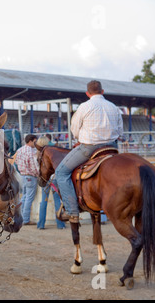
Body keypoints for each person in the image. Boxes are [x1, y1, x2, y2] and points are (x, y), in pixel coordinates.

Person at [55, 80, 123, 223]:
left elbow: (74, 128)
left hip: (90, 147)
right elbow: (120, 131)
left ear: (87, 93)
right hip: (112, 147)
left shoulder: (84, 107)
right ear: (102, 91)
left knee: (61, 172)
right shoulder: (113, 107)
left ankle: (72, 211)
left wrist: (79, 138)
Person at [35, 136, 65, 230]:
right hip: (54, 179)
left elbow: (37, 169)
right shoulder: (52, 153)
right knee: (57, 201)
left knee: (43, 202)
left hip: (44, 179)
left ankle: (41, 224)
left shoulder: (37, 154)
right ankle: (60, 224)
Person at [14, 134, 38, 225]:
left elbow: (15, 161)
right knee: (29, 198)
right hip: (30, 176)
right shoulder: (32, 151)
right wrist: (38, 174)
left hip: (22, 175)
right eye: (35, 141)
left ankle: (21, 217)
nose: (35, 143)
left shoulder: (19, 150)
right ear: (31, 141)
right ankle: (26, 219)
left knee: (24, 197)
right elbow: (33, 165)